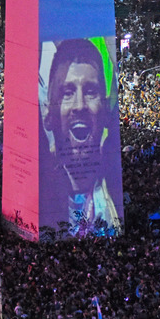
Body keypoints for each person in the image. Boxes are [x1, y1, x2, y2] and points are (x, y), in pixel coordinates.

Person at [41, 38, 123, 236]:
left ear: (105, 112)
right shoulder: (42, 187)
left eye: (91, 92)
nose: (80, 106)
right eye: (67, 93)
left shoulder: (114, 183)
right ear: (48, 116)